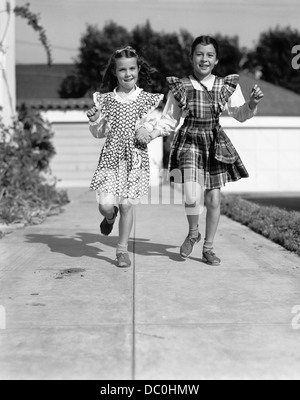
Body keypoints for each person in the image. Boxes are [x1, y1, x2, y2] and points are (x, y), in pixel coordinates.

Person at [151, 35, 264, 266]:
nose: (204, 59)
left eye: (209, 55)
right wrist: (151, 134)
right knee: (192, 196)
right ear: (191, 57)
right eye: (199, 54)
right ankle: (194, 232)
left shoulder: (226, 86)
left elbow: (240, 114)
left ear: (216, 60)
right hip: (190, 140)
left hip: (214, 141)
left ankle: (208, 248)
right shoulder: (180, 86)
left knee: (213, 200)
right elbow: (169, 120)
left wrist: (251, 103)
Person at [86, 46, 164, 268]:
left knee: (127, 205)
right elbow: (99, 133)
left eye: (132, 68)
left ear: (138, 69)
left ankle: (121, 250)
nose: (127, 73)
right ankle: (110, 217)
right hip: (111, 158)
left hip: (135, 159)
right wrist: (94, 120)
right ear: (114, 72)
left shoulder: (145, 99)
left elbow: (151, 125)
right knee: (105, 205)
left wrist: (146, 130)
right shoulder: (106, 101)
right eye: (122, 70)